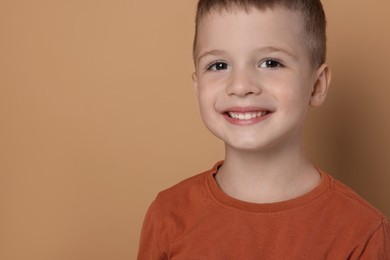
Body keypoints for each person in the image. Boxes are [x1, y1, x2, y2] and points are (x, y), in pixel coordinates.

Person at [137, 0, 390, 258]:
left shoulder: (362, 233)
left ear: (316, 85)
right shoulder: (167, 215)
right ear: (197, 85)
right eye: (219, 65)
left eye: (270, 63)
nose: (240, 85)